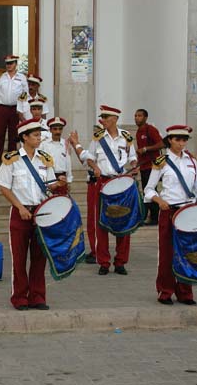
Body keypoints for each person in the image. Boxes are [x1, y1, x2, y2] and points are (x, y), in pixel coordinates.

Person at [0, 118, 65, 310]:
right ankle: (19, 297)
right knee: (19, 257)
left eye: (40, 135)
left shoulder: (45, 159)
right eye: (35, 135)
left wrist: (58, 184)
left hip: (41, 213)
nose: (39, 138)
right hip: (20, 212)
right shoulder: (12, 160)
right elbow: (4, 187)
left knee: (39, 257)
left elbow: (49, 186)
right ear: (24, 137)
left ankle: (37, 296)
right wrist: (20, 207)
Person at [144, 125, 197, 306]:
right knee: (167, 254)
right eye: (177, 139)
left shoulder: (192, 161)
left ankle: (185, 292)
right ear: (170, 140)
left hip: (188, 212)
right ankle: (165, 291)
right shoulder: (161, 161)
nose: (181, 143)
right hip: (169, 211)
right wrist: (160, 201)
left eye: (184, 140)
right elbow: (149, 189)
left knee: (187, 252)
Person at [69, 105, 138, 276]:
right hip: (104, 182)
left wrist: (134, 166)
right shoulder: (98, 138)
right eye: (102, 117)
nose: (103, 120)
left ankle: (121, 261)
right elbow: (90, 158)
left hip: (121, 183)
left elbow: (133, 158)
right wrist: (95, 167)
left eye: (106, 118)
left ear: (114, 119)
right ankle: (104, 262)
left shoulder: (126, 137)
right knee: (102, 223)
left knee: (123, 221)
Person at [0, 55, 29, 171]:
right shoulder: (1, 78)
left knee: (13, 136)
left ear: (16, 64)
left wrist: (24, 111)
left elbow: (26, 95)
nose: (9, 66)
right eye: (7, 64)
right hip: (2, 109)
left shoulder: (22, 78)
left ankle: (11, 161)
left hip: (15, 109)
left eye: (11, 63)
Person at [70, 124, 103, 264]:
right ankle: (98, 250)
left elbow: (85, 158)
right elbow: (85, 159)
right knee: (93, 219)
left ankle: (98, 251)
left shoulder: (105, 146)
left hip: (99, 183)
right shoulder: (97, 144)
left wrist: (76, 143)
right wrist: (75, 144)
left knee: (95, 219)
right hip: (96, 183)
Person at [134, 109, 165, 224]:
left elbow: (162, 144)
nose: (137, 118)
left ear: (146, 117)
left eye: (140, 116)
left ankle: (154, 217)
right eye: (136, 116)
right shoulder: (138, 132)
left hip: (153, 166)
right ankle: (150, 216)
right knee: (147, 190)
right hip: (144, 166)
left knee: (151, 190)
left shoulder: (150, 130)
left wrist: (147, 149)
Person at [39, 117, 72, 195]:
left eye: (60, 129)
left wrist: (69, 180)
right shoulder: (44, 144)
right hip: (49, 178)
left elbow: (68, 162)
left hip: (62, 178)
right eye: (55, 129)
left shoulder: (65, 144)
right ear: (50, 130)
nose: (58, 131)